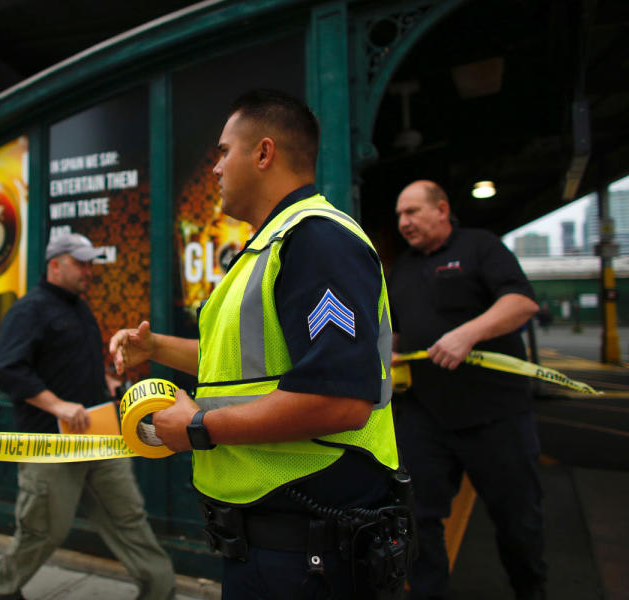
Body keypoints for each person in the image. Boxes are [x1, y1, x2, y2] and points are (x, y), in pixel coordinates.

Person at [110, 89, 411, 599]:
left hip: (308, 551)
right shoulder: (269, 246)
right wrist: (156, 347)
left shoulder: (317, 240)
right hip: (271, 546)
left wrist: (198, 428)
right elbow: (246, 369)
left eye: (224, 151)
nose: (215, 168)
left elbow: (340, 398)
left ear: (264, 153)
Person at [0, 232, 175, 600]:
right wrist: (58, 405)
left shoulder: (79, 308)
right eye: (81, 263)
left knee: (129, 517)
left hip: (101, 436)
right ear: (55, 264)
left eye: (91, 263)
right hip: (51, 445)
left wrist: (109, 384)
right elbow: (8, 370)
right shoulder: (28, 310)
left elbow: (71, 365)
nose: (89, 270)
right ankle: (3, 587)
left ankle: (160, 591)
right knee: (42, 529)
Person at [388, 180, 546, 600]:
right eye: (400, 215)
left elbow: (522, 302)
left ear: (442, 209)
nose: (404, 222)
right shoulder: (400, 269)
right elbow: (396, 332)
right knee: (417, 518)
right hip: (426, 416)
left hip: (496, 415)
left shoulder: (481, 247)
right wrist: (388, 357)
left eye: (413, 212)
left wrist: (468, 334)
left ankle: (531, 590)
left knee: (518, 522)